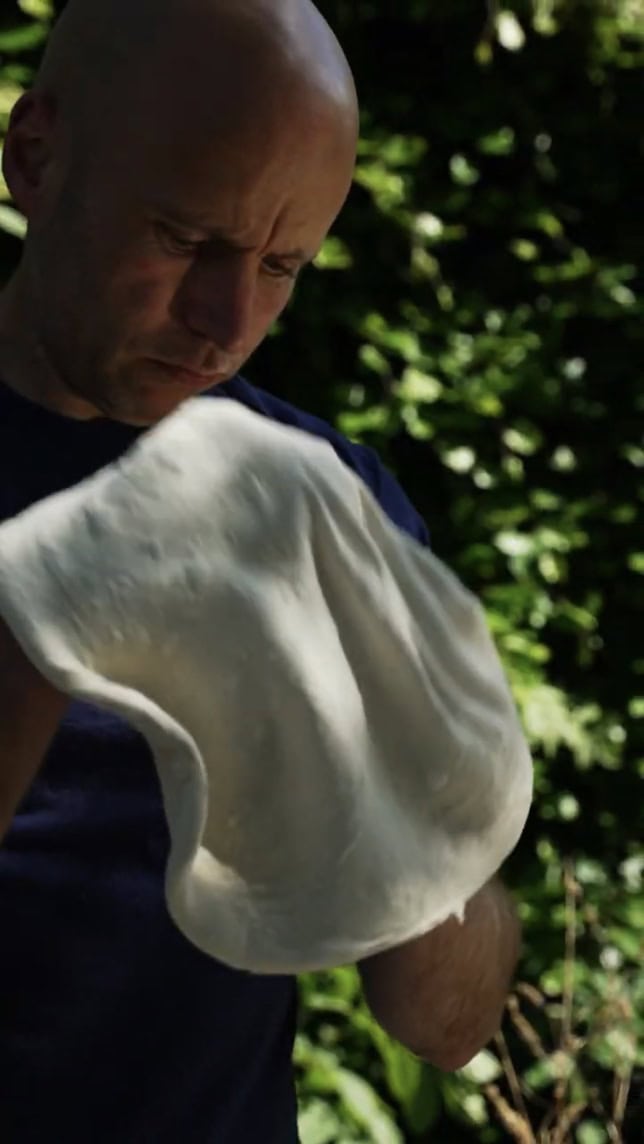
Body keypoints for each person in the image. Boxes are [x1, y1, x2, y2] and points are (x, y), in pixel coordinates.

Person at [0, 1, 524, 1140]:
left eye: (283, 264)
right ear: (34, 157)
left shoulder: (315, 500)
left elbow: (449, 1026)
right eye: (188, 238)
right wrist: (56, 603)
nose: (227, 322)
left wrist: (396, 793)